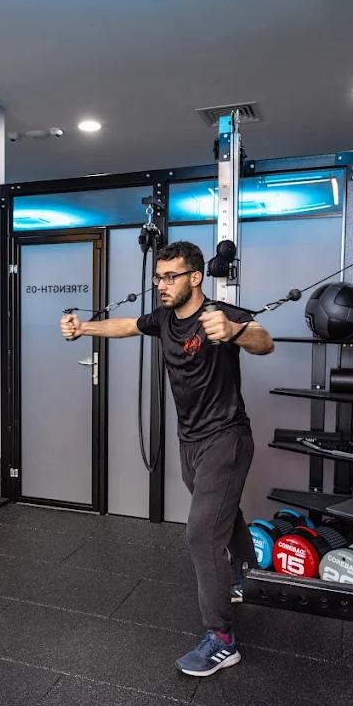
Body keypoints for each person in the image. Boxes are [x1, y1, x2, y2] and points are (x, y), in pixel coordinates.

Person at [60, 241, 274, 677]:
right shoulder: (162, 319)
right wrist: (84, 328)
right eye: (158, 277)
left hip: (227, 437)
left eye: (170, 276)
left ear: (194, 277)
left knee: (201, 534)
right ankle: (247, 578)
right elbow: (124, 326)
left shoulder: (219, 314)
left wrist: (236, 332)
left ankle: (222, 640)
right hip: (190, 440)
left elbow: (263, 341)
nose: (161, 284)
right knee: (221, 515)